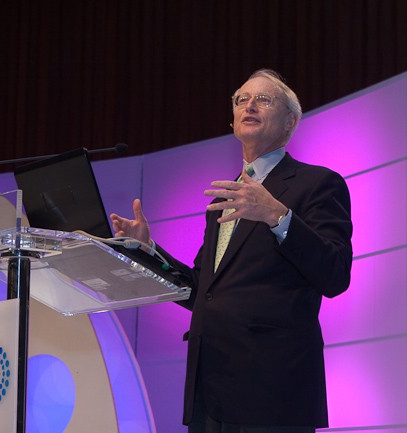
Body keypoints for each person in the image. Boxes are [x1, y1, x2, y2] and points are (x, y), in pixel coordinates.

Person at [110, 69, 353, 433]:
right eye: (241, 100)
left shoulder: (317, 184)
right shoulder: (226, 199)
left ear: (290, 121)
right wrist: (148, 250)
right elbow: (202, 291)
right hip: (211, 390)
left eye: (263, 99)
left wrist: (277, 215)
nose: (249, 106)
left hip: (273, 391)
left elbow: (334, 274)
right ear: (233, 119)